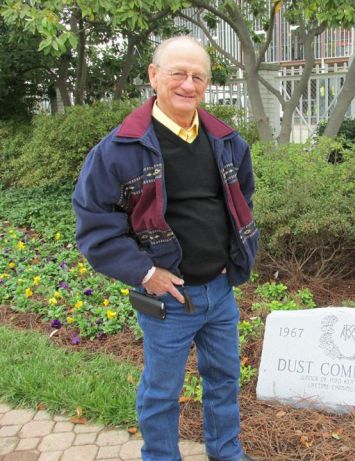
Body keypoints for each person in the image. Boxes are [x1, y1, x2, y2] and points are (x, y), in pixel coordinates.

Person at [72, 35, 258, 461]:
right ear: (154, 76)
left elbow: (240, 200)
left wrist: (234, 260)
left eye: (198, 77)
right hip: (169, 299)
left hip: (220, 290)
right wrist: (145, 274)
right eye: (178, 73)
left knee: (225, 381)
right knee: (161, 391)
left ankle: (226, 453)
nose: (188, 85)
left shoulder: (226, 141)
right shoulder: (119, 149)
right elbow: (95, 224)